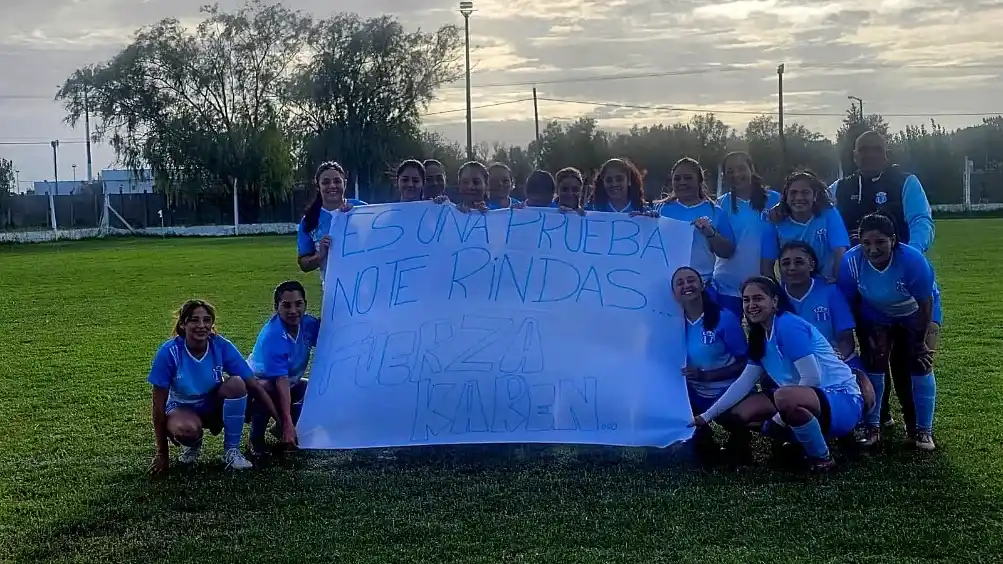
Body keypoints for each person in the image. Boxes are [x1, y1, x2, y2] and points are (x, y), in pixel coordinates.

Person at [691, 276, 866, 472]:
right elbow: (743, 383)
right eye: (746, 300)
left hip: (843, 398)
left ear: (774, 301)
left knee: (783, 397)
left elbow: (812, 378)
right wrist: (705, 417)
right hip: (808, 398)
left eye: (758, 298)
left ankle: (823, 460)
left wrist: (778, 420)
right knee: (742, 413)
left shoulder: (787, 325)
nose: (751, 305)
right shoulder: (759, 334)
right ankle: (795, 445)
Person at [830, 130, 936, 431]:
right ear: (854, 155)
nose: (869, 154)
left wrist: (909, 255)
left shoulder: (905, 182)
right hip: (863, 288)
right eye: (862, 150)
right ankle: (880, 415)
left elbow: (921, 220)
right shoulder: (841, 187)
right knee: (873, 354)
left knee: (908, 354)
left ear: (886, 151)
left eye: (876, 149)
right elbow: (814, 208)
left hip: (902, 287)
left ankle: (915, 421)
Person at [837, 213, 941, 450]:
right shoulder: (850, 262)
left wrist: (921, 342)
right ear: (858, 241)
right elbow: (850, 301)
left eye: (880, 242)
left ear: (893, 240)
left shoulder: (912, 261)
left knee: (921, 362)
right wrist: (857, 334)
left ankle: (923, 430)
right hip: (876, 313)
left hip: (917, 312)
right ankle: (873, 426)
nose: (873, 249)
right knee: (874, 361)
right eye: (866, 243)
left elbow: (925, 303)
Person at [148, 300, 256, 473]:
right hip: (182, 407)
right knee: (186, 429)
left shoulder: (220, 345)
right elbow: (157, 406)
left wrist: (284, 421)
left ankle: (231, 451)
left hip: (212, 404)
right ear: (183, 324)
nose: (201, 325)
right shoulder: (169, 352)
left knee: (237, 383)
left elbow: (252, 383)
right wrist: (162, 453)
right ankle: (193, 444)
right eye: (194, 320)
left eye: (207, 320)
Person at [672, 266, 751, 463]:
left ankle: (739, 437)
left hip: (727, 392)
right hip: (694, 395)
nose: (686, 285)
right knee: (701, 457)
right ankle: (704, 439)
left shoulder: (724, 318)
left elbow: (745, 363)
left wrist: (707, 375)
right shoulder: (672, 324)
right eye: (679, 283)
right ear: (674, 292)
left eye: (691, 280)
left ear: (702, 284)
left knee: (745, 423)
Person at [245, 281, 321, 456]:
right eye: (286, 305)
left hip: (288, 381)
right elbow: (281, 381)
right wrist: (287, 422)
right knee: (267, 389)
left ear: (306, 305)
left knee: (315, 390)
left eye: (298, 304)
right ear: (276, 307)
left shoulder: (309, 324)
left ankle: (280, 428)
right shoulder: (273, 335)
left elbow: (330, 340)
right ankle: (256, 439)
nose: (293, 311)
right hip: (254, 387)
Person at [713, 152, 781, 317]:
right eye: (730, 171)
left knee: (762, 339)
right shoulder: (720, 204)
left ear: (752, 169)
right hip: (726, 286)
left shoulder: (775, 200)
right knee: (729, 338)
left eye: (741, 168)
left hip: (761, 287)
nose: (736, 175)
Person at [653, 157, 736, 284]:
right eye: (677, 178)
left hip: (702, 285)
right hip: (666, 284)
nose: (682, 182)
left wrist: (711, 234)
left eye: (688, 178)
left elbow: (728, 252)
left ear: (699, 181)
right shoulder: (660, 210)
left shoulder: (715, 211)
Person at [778, 241, 859, 369]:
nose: (792, 267)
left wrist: (835, 359)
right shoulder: (776, 298)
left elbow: (845, 339)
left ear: (811, 265)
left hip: (832, 359)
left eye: (799, 262)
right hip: (794, 364)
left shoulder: (830, 291)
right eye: (786, 263)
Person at [761, 170, 850, 282]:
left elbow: (840, 251)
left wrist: (837, 281)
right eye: (793, 193)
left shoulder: (828, 213)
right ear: (786, 197)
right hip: (793, 288)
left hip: (826, 284)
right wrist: (776, 292)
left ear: (814, 196)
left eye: (805, 192)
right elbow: (766, 264)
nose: (799, 197)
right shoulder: (776, 220)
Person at [297, 161, 366, 280]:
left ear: (344, 183)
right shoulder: (309, 220)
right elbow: (304, 264)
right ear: (318, 186)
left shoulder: (362, 209)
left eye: (337, 181)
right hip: (334, 291)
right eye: (325, 182)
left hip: (367, 287)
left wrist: (355, 218)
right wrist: (320, 255)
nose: (332, 186)